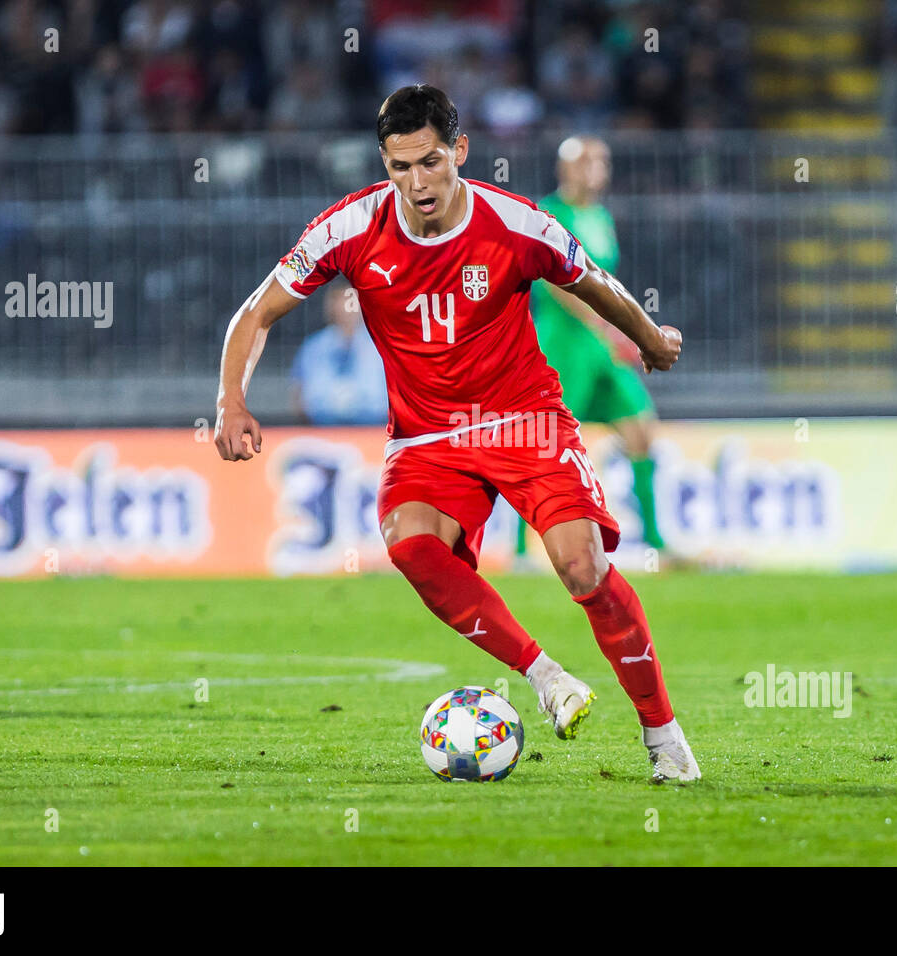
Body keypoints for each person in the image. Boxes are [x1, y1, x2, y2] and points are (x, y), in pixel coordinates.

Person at [214, 85, 699, 782]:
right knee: (409, 544)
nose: (417, 183)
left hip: (523, 419)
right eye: (400, 167)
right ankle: (545, 675)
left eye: (431, 162)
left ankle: (663, 736)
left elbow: (593, 282)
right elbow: (255, 313)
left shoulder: (516, 224)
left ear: (460, 151)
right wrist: (230, 399)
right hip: (427, 437)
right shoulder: (348, 229)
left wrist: (650, 338)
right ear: (384, 163)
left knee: (582, 568)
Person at [519, 135, 668, 565]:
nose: (596, 170)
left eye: (601, 161)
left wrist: (617, 325)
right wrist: (606, 325)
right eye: (586, 162)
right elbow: (554, 279)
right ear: (564, 169)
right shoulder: (550, 213)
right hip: (563, 342)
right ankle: (518, 547)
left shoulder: (600, 215)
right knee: (546, 443)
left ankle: (655, 539)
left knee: (640, 426)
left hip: (600, 343)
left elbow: (606, 279)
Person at [289, 282, 387, 425]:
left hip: (373, 430)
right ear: (329, 305)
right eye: (339, 300)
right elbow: (298, 395)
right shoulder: (313, 348)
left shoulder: (381, 347)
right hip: (323, 430)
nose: (345, 308)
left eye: (351, 300)